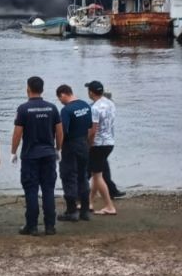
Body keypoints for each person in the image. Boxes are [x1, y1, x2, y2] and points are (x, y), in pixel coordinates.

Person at [10, 76, 63, 236]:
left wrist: (13, 152)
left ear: (28, 89)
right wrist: (58, 149)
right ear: (42, 89)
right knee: (48, 190)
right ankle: (50, 226)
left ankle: (31, 226)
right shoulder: (52, 108)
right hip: (48, 154)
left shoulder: (23, 109)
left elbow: (17, 133)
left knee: (31, 190)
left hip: (30, 155)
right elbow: (59, 131)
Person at [55, 84, 93, 222]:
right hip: (84, 143)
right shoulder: (85, 105)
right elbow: (90, 126)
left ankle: (71, 211)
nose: (60, 101)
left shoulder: (66, 110)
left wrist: (58, 148)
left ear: (63, 94)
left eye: (60, 99)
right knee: (83, 176)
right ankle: (84, 211)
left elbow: (63, 131)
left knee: (68, 175)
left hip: (70, 145)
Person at [86, 80, 117, 215]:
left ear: (91, 92)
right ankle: (89, 202)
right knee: (96, 173)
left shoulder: (94, 108)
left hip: (98, 144)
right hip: (110, 142)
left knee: (98, 176)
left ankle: (109, 206)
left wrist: (89, 144)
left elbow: (93, 130)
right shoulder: (110, 103)